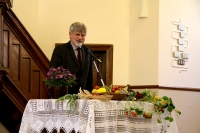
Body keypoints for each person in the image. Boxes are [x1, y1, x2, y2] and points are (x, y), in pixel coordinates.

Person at [49, 22, 93, 94]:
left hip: (83, 96)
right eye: (77, 34)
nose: (80, 38)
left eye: (83, 35)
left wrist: (89, 93)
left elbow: (89, 76)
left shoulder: (88, 51)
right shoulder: (60, 50)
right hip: (65, 95)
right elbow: (53, 73)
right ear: (70, 34)